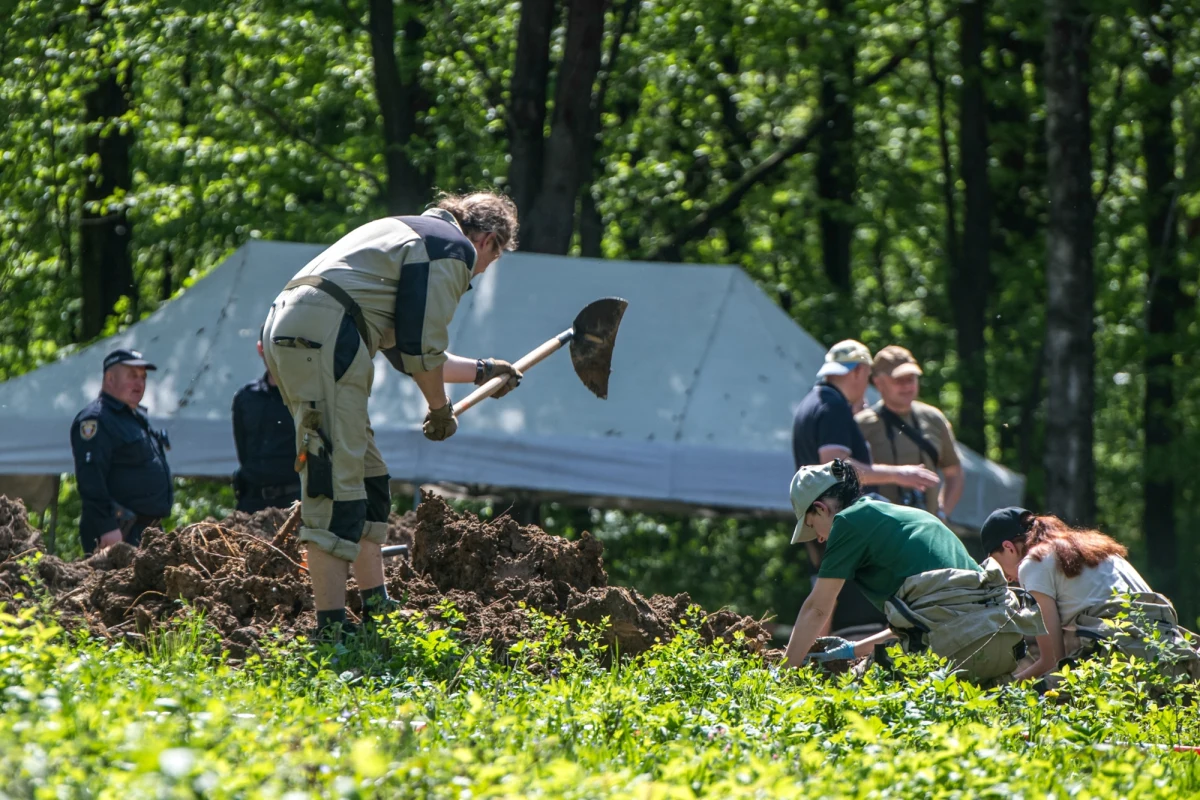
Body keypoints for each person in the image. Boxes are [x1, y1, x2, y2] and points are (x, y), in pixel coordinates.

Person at [262, 192, 523, 637]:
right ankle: (332, 631)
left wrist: (482, 370)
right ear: (488, 240)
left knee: (368, 476)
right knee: (334, 479)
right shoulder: (451, 248)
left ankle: (377, 606)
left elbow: (410, 349)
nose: (480, 273)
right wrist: (439, 410)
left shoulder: (410, 232)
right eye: (492, 260)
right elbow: (421, 352)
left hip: (308, 326)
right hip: (327, 333)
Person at [783, 460, 1043, 683]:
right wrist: (852, 651)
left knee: (851, 697)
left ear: (820, 508)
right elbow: (935, 614)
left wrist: (783, 673)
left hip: (958, 649)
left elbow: (816, 609)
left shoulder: (847, 522)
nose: (818, 538)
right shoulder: (916, 517)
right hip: (1002, 645)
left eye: (811, 524)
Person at [791, 340, 940, 632]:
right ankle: (821, 663)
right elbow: (835, 467)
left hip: (817, 515)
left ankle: (811, 665)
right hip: (837, 518)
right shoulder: (833, 406)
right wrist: (900, 474)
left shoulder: (811, 402)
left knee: (822, 599)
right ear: (860, 371)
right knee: (833, 605)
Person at [981, 507, 1200, 682]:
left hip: (1124, 656)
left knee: (1031, 699)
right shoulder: (1094, 548)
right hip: (1171, 655)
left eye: (997, 565)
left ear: (1009, 547)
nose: (1006, 579)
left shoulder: (1032, 563)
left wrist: (1003, 688)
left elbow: (1052, 661)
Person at [70, 349, 173, 554]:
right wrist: (107, 526)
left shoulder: (134, 418)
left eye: (143, 377)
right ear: (110, 378)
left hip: (145, 530)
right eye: (132, 376)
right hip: (119, 531)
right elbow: (91, 479)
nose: (140, 383)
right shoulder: (97, 419)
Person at [855, 346, 963, 521]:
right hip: (879, 529)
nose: (906, 385)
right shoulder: (862, 424)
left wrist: (941, 513)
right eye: (898, 379)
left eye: (911, 378)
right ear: (878, 383)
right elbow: (846, 473)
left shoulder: (934, 418)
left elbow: (954, 472)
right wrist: (896, 475)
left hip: (926, 529)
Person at [231, 327, 301, 513]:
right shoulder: (245, 398)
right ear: (260, 349)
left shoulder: (303, 396)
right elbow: (243, 452)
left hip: (294, 504)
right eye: (270, 347)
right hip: (252, 503)